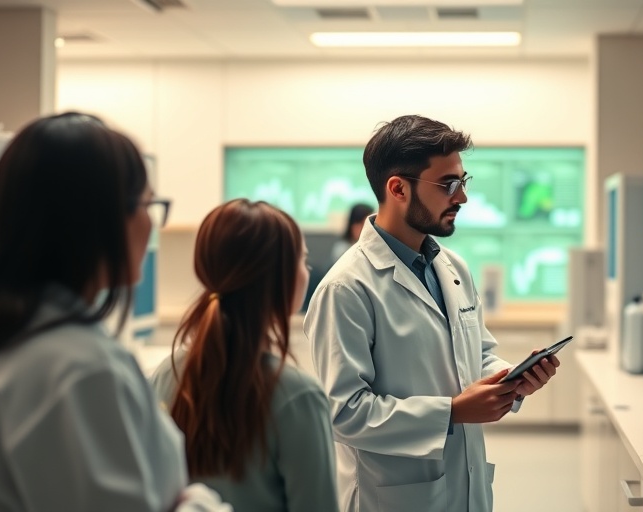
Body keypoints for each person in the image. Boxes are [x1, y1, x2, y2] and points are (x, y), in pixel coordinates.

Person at [0, 112, 226, 511]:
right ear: (100, 218)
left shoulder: (16, 339)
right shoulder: (80, 368)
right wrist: (200, 503)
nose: (150, 222)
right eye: (147, 204)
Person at [304, 114, 560, 512]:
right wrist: (452, 412)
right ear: (398, 189)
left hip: (464, 487)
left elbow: (476, 355)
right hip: (391, 497)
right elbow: (344, 413)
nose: (462, 198)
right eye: (448, 185)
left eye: (463, 181)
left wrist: (511, 378)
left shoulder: (452, 267)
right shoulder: (347, 288)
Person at [150, 199, 338, 511]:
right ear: (281, 278)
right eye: (301, 260)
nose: (307, 271)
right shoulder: (298, 396)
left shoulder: (165, 375)